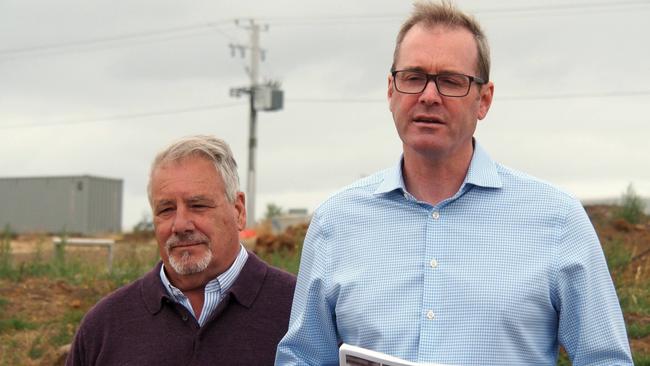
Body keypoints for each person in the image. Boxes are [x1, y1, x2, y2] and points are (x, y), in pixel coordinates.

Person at [275, 1, 632, 365]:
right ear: (390, 90)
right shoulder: (335, 222)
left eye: (450, 81)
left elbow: (605, 359)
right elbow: (302, 357)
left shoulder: (557, 220)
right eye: (413, 77)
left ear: (484, 100)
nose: (429, 96)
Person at [67, 135, 296, 365]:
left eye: (198, 206)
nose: (180, 225)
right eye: (166, 209)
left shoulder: (300, 313)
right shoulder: (104, 327)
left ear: (238, 211)